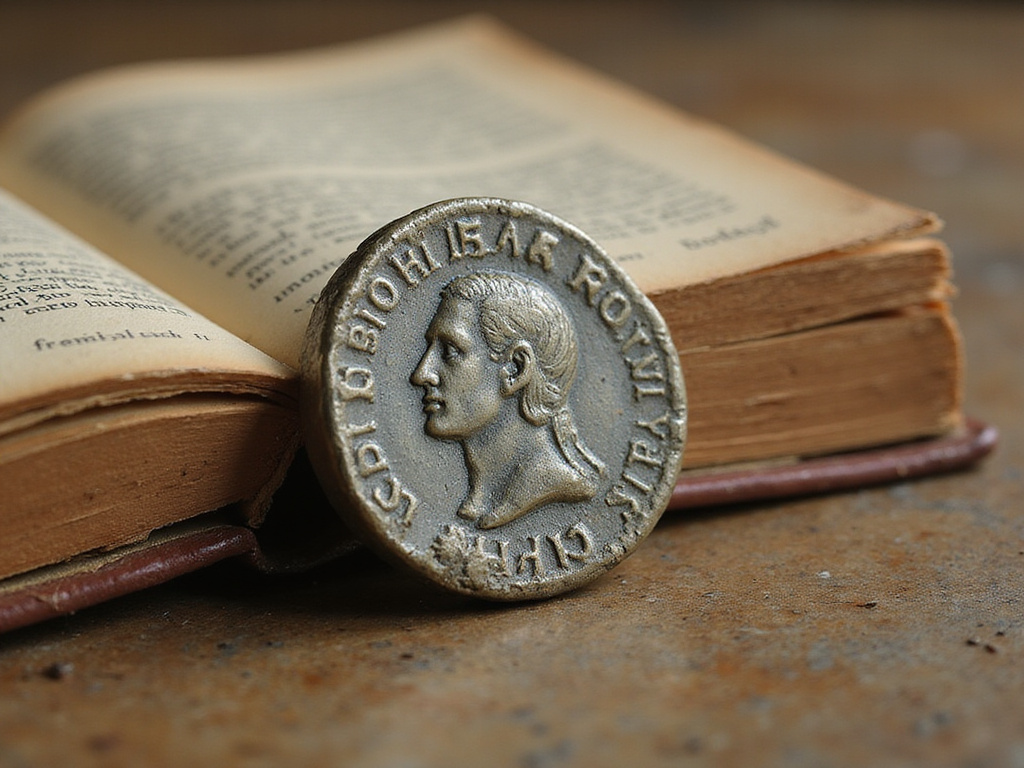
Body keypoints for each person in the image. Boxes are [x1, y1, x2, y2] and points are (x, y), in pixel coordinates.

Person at [411, 271, 604, 529]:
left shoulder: (554, 488)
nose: (422, 374)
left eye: (449, 351)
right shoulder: (480, 502)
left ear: (515, 369)